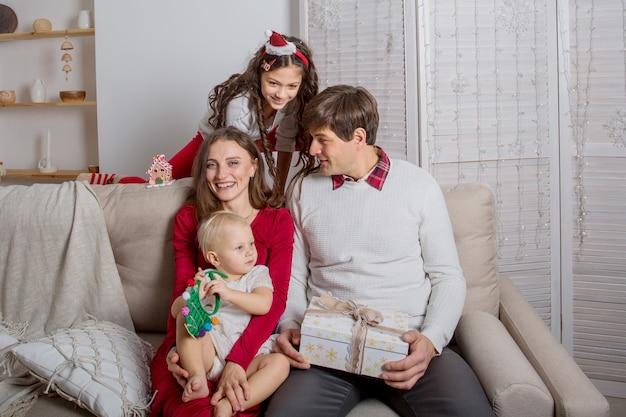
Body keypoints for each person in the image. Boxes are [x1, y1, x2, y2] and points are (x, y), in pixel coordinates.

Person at [266, 85, 496, 417]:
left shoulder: (419, 187)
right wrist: (288, 323)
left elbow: (448, 277)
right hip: (325, 350)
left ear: (357, 138)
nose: (313, 149)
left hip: (408, 344)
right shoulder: (303, 189)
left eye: (323, 139)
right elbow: (293, 275)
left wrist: (430, 341)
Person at [150, 126, 295, 417]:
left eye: (233, 163)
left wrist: (237, 361)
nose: (221, 174)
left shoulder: (276, 221)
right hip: (202, 345)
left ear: (254, 167)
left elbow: (274, 302)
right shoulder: (190, 219)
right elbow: (183, 295)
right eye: (212, 165)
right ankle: (196, 378)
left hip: (247, 347)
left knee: (241, 397)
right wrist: (178, 353)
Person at [165, 29, 318, 195]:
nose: (281, 94)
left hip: (259, 135)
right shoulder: (240, 106)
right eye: (273, 83)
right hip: (218, 140)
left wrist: (278, 192)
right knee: (164, 181)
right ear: (260, 76)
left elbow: (286, 141)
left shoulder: (292, 101)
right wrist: (254, 196)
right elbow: (234, 158)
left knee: (308, 139)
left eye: (292, 86)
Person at [171, 211, 289, 416]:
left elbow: (264, 304)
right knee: (186, 316)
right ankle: (198, 378)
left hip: (248, 356)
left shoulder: (256, 274)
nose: (250, 252)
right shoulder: (207, 280)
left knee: (280, 364)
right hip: (213, 352)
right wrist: (192, 294)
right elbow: (175, 312)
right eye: (240, 248)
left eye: (251, 243)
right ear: (214, 258)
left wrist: (229, 293)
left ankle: (228, 405)